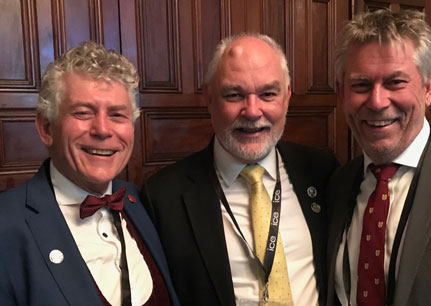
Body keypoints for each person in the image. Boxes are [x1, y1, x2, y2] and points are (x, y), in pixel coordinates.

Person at [141, 33, 340, 306]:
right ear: (209, 99)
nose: (252, 111)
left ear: (287, 97)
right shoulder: (163, 196)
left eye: (268, 94)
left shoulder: (323, 171)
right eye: (235, 95)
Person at [326, 9, 431, 306]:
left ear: (428, 87)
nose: (378, 102)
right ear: (342, 93)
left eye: (395, 82)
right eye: (361, 85)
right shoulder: (337, 184)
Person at [0, 41, 180, 306]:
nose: (103, 130)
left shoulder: (139, 200)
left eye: (118, 115)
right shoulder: (7, 224)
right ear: (46, 128)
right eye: (83, 112)